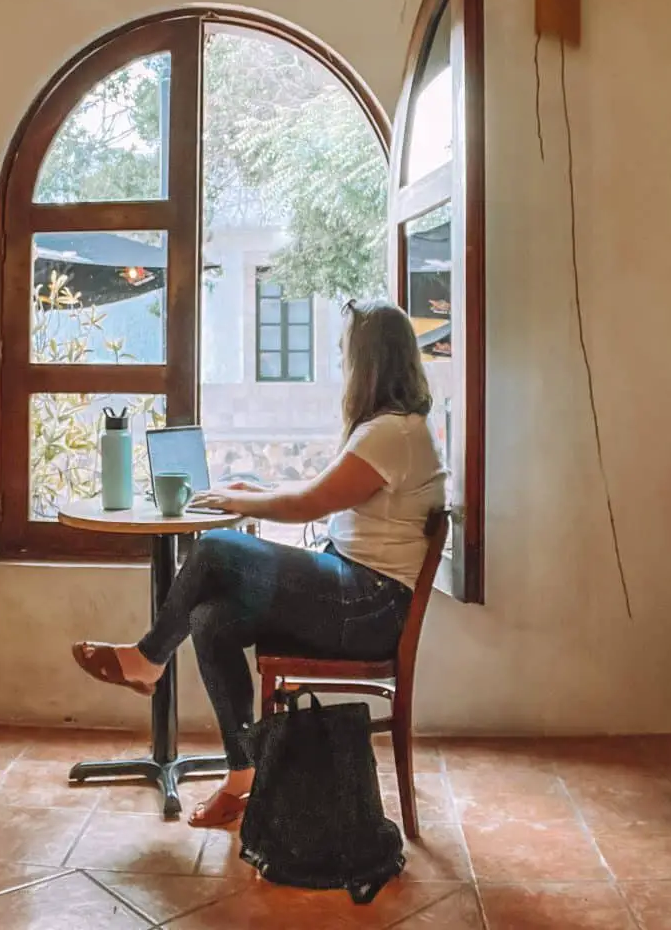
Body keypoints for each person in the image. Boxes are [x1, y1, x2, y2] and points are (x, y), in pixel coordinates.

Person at [72, 299, 447, 828]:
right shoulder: (391, 429)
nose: (342, 364)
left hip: (368, 605)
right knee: (211, 620)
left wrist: (241, 502)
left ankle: (149, 659)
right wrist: (260, 491)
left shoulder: (394, 432)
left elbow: (311, 505)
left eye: (346, 354)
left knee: (218, 548)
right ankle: (242, 776)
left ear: (369, 362)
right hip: (357, 595)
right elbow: (321, 494)